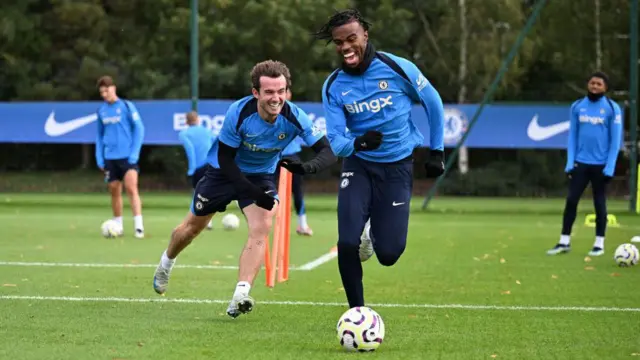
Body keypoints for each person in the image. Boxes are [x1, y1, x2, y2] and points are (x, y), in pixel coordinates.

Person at [152, 60, 336, 318]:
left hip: (262, 174)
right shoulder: (238, 113)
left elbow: (328, 152)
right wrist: (250, 191)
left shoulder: (295, 116)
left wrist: (306, 168)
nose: (276, 98)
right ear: (256, 93)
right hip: (223, 173)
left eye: (281, 91)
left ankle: (240, 294)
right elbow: (226, 160)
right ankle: (166, 262)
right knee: (191, 229)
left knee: (262, 227)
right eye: (269, 92)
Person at [313, 9, 445, 309]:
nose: (345, 47)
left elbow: (433, 102)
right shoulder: (334, 85)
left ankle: (373, 232)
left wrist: (437, 150)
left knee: (389, 254)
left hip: (397, 167)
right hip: (359, 166)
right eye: (338, 42)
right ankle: (356, 313)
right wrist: (358, 142)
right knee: (347, 243)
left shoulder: (397, 67)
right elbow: (336, 140)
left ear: (365, 36)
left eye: (351, 39)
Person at [547, 71, 622, 257]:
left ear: (605, 88)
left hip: (601, 165)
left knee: (599, 204)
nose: (595, 87)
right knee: (571, 201)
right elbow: (572, 136)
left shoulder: (613, 108)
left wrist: (610, 166)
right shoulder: (577, 106)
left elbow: (615, 140)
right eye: (592, 83)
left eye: (599, 84)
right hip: (580, 163)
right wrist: (569, 162)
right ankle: (564, 241)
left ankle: (599, 244)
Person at [95, 75, 146, 238]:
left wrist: (134, 153)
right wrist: (99, 157)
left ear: (113, 88)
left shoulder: (126, 106)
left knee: (131, 188)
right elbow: (99, 135)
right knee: (114, 191)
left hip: (127, 157)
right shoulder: (101, 111)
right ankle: (118, 225)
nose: (104, 94)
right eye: (102, 92)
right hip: (110, 157)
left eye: (106, 90)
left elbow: (139, 129)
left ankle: (139, 226)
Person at [275, 89, 314, 236]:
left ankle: (302, 224)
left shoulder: (293, 112)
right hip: (273, 156)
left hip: (291, 155)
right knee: (266, 188)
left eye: (285, 92)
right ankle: (261, 223)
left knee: (297, 190)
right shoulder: (268, 109)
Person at [179, 110, 215, 230]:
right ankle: (209, 221)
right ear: (198, 120)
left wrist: (191, 169)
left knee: (197, 194)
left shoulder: (184, 134)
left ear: (186, 121)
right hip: (210, 165)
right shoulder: (207, 131)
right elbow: (216, 144)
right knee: (209, 193)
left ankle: (197, 220)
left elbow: (190, 151)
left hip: (198, 167)